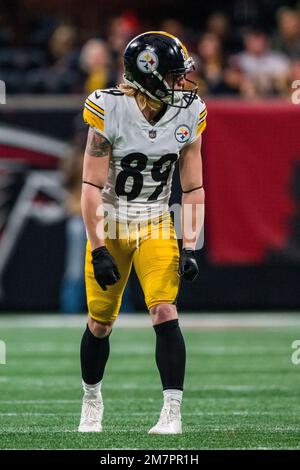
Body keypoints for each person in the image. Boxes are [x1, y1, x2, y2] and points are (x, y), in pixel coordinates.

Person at [78, 31, 207, 434]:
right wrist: (99, 248)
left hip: (154, 219)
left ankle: (172, 411)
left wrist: (190, 245)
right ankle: (91, 398)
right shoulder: (109, 108)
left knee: (165, 310)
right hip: (111, 220)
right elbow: (90, 186)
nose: (182, 84)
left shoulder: (189, 112)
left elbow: (193, 187)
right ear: (148, 76)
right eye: (172, 76)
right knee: (100, 322)